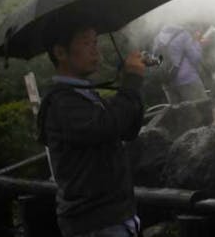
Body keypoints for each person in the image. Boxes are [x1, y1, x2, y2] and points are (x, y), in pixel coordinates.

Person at [37, 15, 145, 237]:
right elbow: (107, 127)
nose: (95, 50)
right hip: (95, 222)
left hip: (114, 216)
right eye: (86, 43)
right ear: (60, 52)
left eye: (95, 42)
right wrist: (131, 81)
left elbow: (127, 130)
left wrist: (132, 83)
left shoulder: (83, 94)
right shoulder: (62, 103)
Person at [151, 25, 209, 103]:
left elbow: (155, 62)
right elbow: (195, 58)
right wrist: (197, 44)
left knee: (180, 114)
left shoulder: (158, 38)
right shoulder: (183, 35)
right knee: (202, 109)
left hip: (168, 85)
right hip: (188, 81)